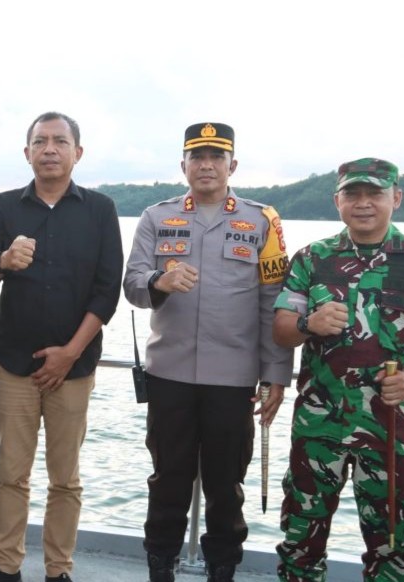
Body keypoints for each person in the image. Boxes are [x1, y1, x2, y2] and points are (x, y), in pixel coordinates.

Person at [123, 122, 293, 582]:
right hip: (169, 374)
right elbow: (132, 286)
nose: (206, 165)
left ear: (231, 165)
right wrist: (159, 281)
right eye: (197, 157)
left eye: (216, 156)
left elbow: (273, 302)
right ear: (183, 166)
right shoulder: (156, 218)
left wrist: (276, 375)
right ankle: (161, 567)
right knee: (167, 482)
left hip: (233, 378)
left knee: (225, 485)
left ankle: (223, 570)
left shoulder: (263, 221)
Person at [0, 111, 124, 582]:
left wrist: (71, 352)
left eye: (60, 141)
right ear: (27, 152)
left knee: (65, 479)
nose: (50, 149)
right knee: (12, 474)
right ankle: (7, 566)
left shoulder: (100, 209)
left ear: (78, 152)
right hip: (14, 365)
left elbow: (106, 289)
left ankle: (58, 570)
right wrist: (3, 260)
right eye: (41, 141)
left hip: (74, 367)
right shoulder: (3, 207)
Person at [273, 158, 404, 581]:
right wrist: (310, 324)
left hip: (393, 428)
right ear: (337, 201)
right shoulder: (312, 259)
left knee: (393, 544)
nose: (363, 204)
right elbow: (282, 331)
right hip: (319, 425)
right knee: (301, 540)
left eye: (374, 194)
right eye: (352, 194)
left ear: (395, 197)